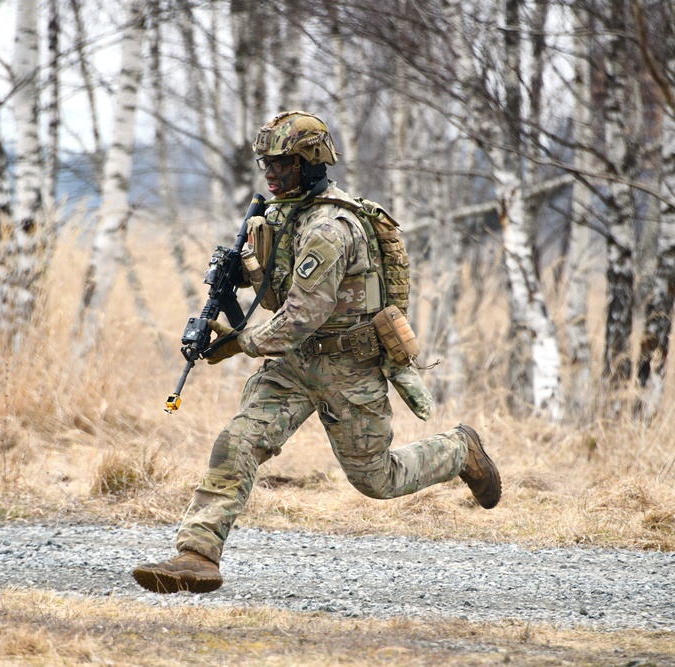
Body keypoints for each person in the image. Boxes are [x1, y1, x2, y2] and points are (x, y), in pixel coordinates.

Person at [132, 110, 501, 595]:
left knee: (376, 479)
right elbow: (275, 270)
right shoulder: (289, 211)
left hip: (348, 365)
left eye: (281, 163)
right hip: (294, 365)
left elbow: (300, 316)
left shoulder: (330, 227)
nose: (270, 171)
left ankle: (459, 450)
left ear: (309, 163)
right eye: (266, 161)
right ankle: (196, 555)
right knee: (237, 441)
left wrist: (237, 343)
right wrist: (234, 273)